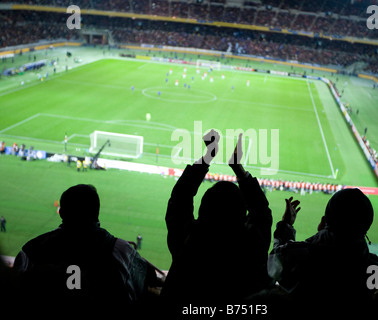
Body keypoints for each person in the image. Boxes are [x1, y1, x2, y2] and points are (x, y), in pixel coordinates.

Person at [162, 130, 273, 304]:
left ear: (203, 209)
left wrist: (209, 155)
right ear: (242, 215)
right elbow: (262, 213)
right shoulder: (253, 246)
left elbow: (180, 199)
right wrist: (238, 168)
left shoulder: (187, 241)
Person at [13, 184, 159, 310]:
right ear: (97, 212)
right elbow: (146, 284)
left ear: (61, 213)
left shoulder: (31, 250)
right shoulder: (121, 250)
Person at [267, 188, 378, 310]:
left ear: (324, 220)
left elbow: (275, 263)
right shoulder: (374, 266)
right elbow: (370, 300)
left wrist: (286, 225)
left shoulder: (300, 256)